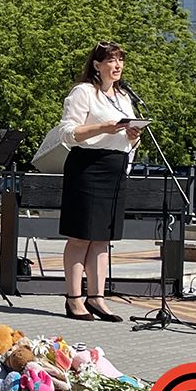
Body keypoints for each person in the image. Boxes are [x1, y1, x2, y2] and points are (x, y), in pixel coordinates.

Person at [57, 42, 142, 322]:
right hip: (88, 166)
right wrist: (103, 128)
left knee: (103, 238)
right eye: (111, 61)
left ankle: (97, 298)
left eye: (120, 60)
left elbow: (127, 135)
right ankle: (74, 299)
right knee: (81, 236)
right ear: (97, 65)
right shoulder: (83, 92)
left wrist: (132, 136)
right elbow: (67, 133)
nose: (117, 66)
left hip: (115, 166)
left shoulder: (123, 96)